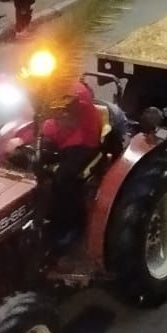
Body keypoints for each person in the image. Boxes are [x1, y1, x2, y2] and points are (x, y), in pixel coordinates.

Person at [42, 81, 104, 245]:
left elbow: (67, 122)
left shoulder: (76, 93)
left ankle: (70, 227)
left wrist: (46, 125)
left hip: (81, 141)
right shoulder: (49, 85)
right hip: (60, 135)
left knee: (64, 178)